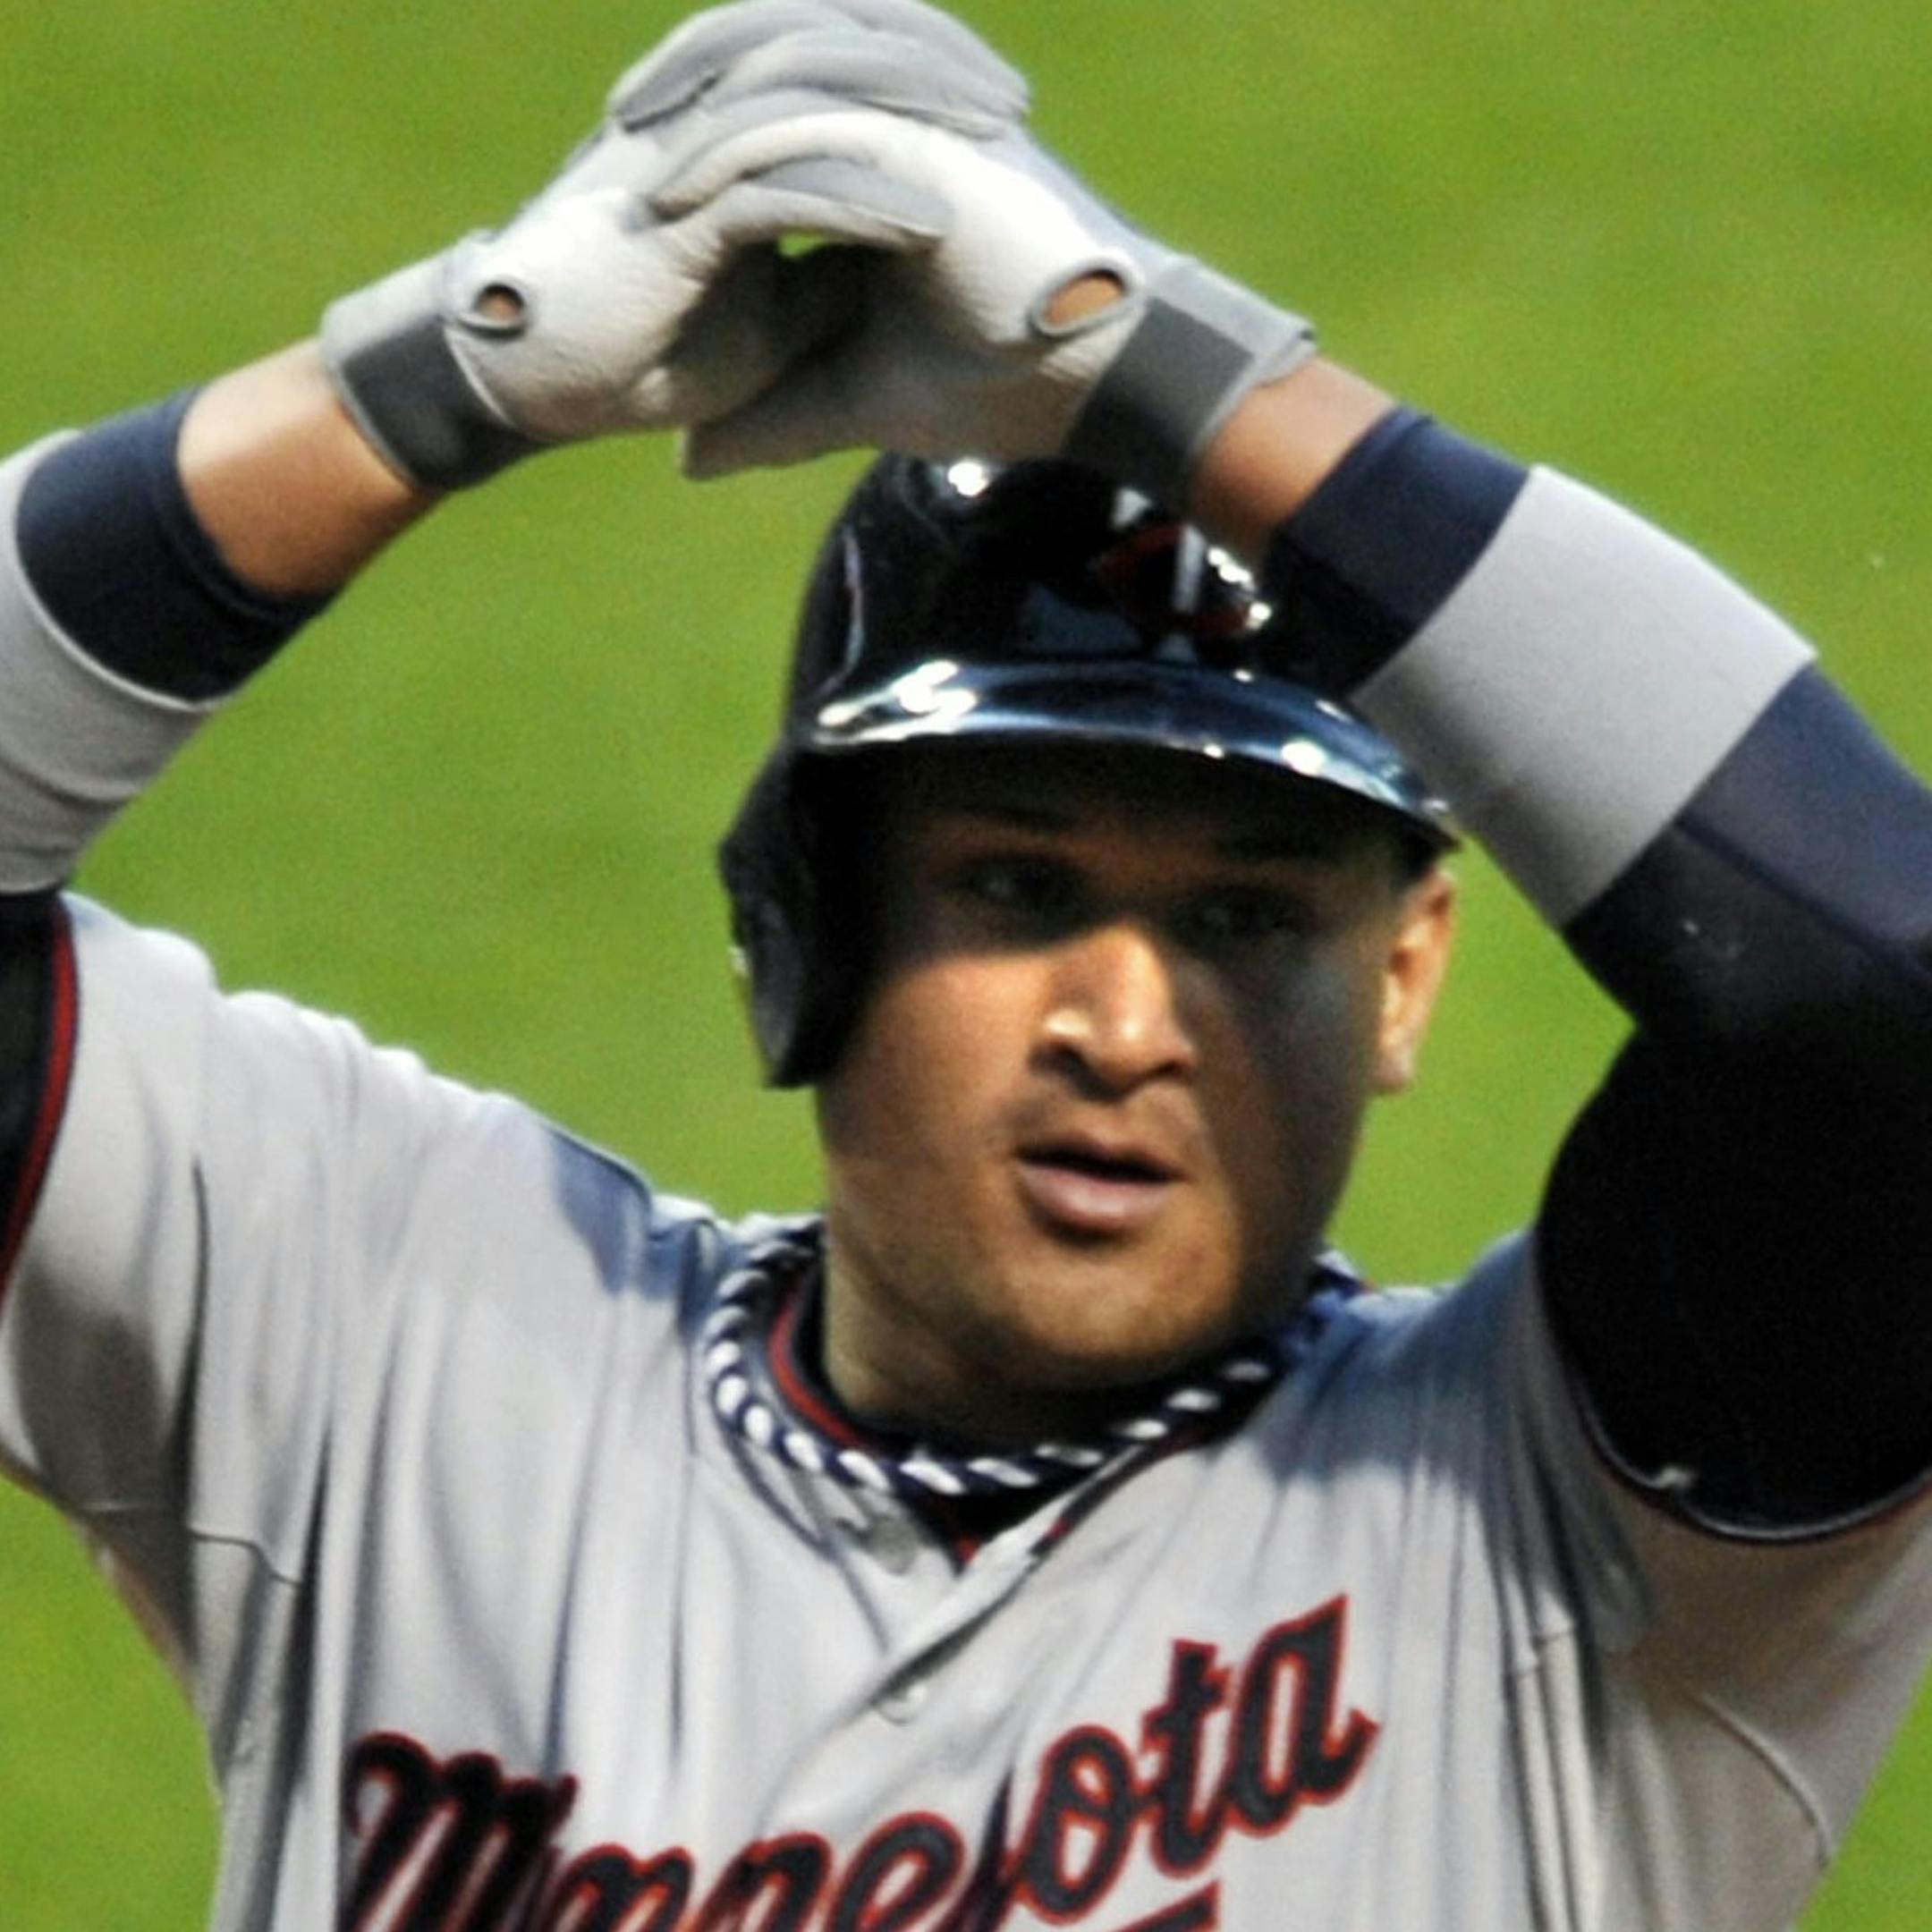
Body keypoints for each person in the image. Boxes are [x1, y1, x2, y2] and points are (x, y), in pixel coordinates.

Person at [3, 3, 1929, 1928]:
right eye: (1016, 891)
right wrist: (419, 386)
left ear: (1407, 970)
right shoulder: (388, 1342)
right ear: (806, 917)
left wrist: (1183, 378)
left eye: (1249, 919)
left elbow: (1884, 995)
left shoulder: (1571, 1550)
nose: (1121, 1030)